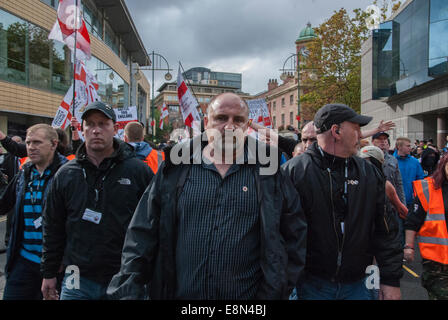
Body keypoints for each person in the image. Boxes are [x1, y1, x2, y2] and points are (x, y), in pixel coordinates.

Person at [107, 92, 307, 300]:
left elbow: (294, 236)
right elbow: (141, 234)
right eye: (221, 118)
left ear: (247, 126)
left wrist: (275, 291)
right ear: (206, 123)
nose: (229, 126)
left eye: (238, 120)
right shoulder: (176, 168)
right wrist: (129, 291)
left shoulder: (269, 172)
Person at [283, 103, 402, 300]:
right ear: (336, 131)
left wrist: (391, 280)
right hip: (309, 285)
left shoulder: (369, 172)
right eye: (356, 128)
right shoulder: (294, 172)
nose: (360, 134)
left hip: (358, 285)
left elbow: (386, 230)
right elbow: (278, 234)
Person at [40, 101, 153, 300]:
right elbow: (53, 226)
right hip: (77, 278)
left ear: (115, 129)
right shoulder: (66, 174)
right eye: (90, 124)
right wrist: (49, 273)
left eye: (103, 124)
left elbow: (154, 223)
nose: (96, 130)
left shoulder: (138, 171)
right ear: (82, 130)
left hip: (125, 278)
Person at [0, 124, 67, 300]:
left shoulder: (69, 173)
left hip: (58, 267)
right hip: (23, 261)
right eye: (29, 142)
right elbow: (3, 204)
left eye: (37, 142)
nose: (31, 147)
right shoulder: (24, 174)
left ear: (53, 144)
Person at [405, 154, 448, 299]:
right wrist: (409, 246)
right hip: (437, 262)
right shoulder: (428, 188)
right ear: (443, 166)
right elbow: (412, 221)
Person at [393, 137, 425, 245]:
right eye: (407, 145)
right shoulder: (391, 161)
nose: (410, 148)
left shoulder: (414, 162)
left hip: (411, 202)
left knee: (409, 229)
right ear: (399, 147)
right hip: (395, 203)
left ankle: (405, 254)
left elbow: (420, 180)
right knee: (397, 231)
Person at [371, 132, 406, 217]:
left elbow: (398, 183)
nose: (382, 141)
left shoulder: (393, 160)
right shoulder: (366, 158)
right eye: (379, 139)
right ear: (373, 142)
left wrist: (402, 204)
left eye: (384, 139)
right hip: (373, 205)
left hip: (391, 206)